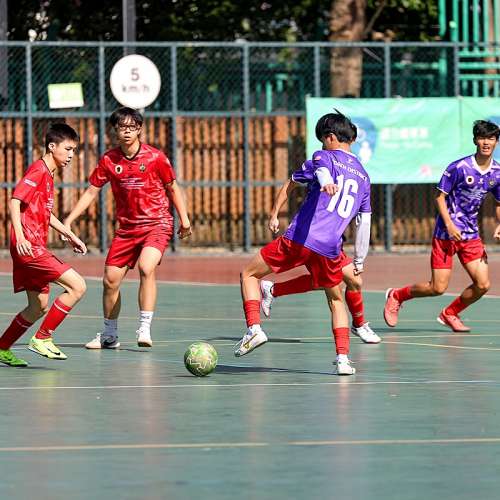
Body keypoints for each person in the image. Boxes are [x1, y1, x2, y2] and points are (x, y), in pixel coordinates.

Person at [235, 110, 372, 375]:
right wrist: (359, 259)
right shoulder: (364, 177)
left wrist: (275, 213)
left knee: (248, 274)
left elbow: (317, 171)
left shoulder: (323, 156)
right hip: (331, 248)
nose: (321, 145)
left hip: (301, 239)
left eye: (322, 140)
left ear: (330, 137)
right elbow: (363, 222)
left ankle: (254, 329)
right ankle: (343, 360)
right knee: (336, 299)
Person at [64, 107, 192, 349]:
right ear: (115, 130)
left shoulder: (155, 158)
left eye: (132, 127)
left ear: (139, 129)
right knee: (110, 281)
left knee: (146, 267)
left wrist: (184, 220)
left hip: (157, 223)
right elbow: (91, 191)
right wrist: (69, 220)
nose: (127, 131)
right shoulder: (109, 160)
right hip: (127, 229)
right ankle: (109, 335)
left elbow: (173, 188)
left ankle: (144, 328)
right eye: (122, 127)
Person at [384, 120, 500, 331]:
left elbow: (499, 203)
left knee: (483, 285)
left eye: (491, 138)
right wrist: (449, 225)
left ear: (496, 142)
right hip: (446, 234)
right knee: (437, 288)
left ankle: (450, 313)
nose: (486, 142)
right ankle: (397, 295)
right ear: (475, 140)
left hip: (471, 235)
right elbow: (439, 197)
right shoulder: (459, 167)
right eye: (482, 138)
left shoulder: (497, 172)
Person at [258, 159, 380, 344]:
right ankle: (355, 332)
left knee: (350, 280)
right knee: (335, 284)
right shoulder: (318, 164)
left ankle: (273, 289)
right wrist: (274, 214)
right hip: (310, 236)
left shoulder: (355, 173)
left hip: (331, 242)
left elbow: (362, 217)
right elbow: (291, 183)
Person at [0, 123, 87, 366]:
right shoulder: (38, 171)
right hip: (29, 247)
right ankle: (42, 338)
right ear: (51, 146)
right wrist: (20, 236)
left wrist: (69, 234)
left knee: (37, 306)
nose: (71, 155)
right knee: (78, 286)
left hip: (31, 246)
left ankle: (2, 347)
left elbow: (45, 214)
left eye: (74, 150)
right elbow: (14, 201)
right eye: (67, 149)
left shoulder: (49, 174)